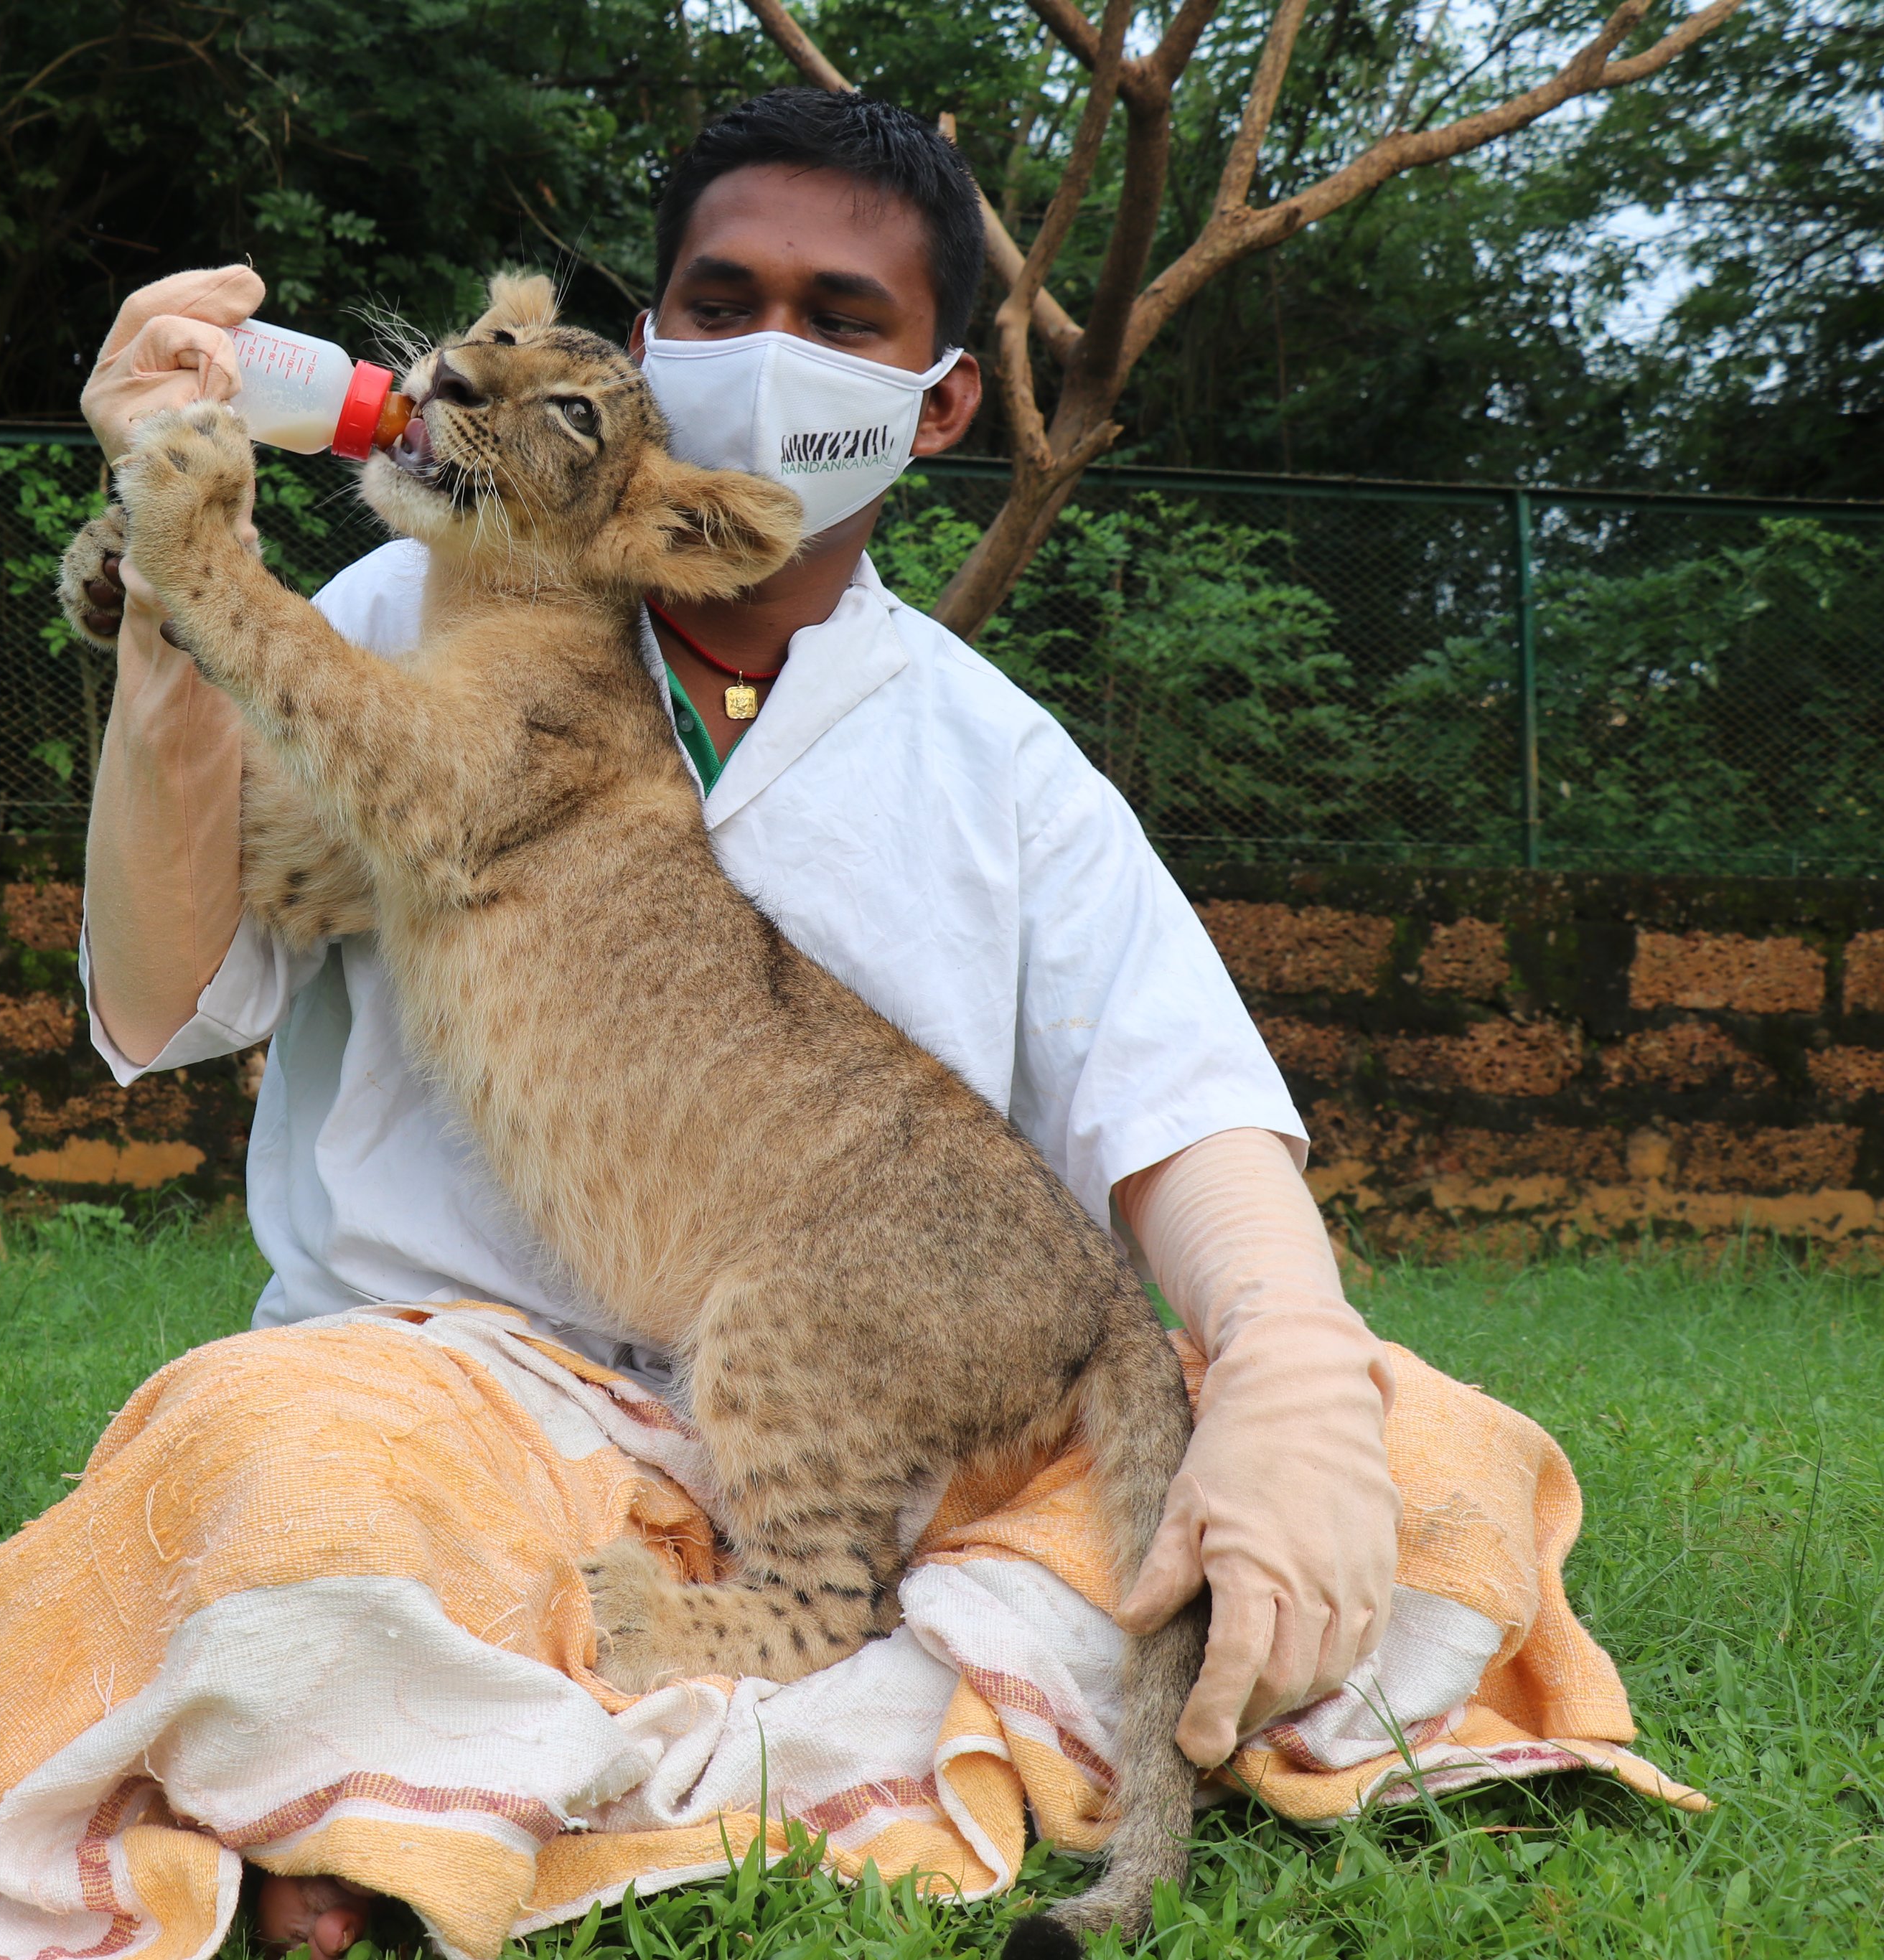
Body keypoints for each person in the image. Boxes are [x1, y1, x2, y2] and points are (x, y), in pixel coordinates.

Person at [71, 88, 1402, 1960]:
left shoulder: (992, 756)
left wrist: (1287, 1370)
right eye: (720, 297)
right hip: (444, 1390)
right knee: (277, 1452)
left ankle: (457, 1763)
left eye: (841, 317)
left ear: (942, 399)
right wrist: (165, 644)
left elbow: (1186, 1115)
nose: (771, 350)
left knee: (1410, 1450)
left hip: (848, 1388)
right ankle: (920, 1730)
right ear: (651, 349)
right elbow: (166, 988)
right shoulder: (412, 597)